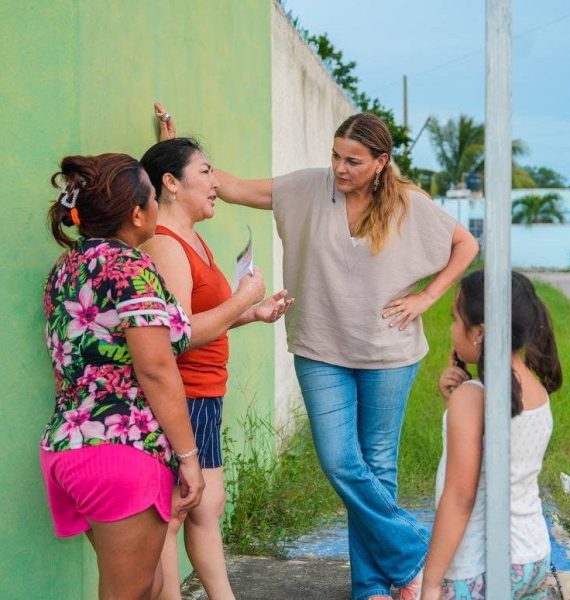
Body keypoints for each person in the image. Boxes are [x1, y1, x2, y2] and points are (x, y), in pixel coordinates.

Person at [156, 105, 479, 600]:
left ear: (380, 162)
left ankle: (372, 586)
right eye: (335, 156)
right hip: (320, 347)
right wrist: (177, 158)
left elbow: (466, 245)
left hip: (389, 352)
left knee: (377, 467)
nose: (340, 168)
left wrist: (425, 298)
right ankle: (418, 554)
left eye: (353, 160)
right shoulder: (307, 187)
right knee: (339, 460)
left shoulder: (408, 203)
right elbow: (236, 186)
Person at [40, 153, 205, 599]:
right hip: (121, 451)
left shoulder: (66, 269)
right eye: (154, 198)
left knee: (147, 586)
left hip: (69, 449)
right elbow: (154, 368)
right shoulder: (131, 267)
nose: (157, 206)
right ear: (137, 213)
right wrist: (189, 457)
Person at [139, 135, 292, 600]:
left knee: (205, 506)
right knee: (175, 511)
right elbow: (177, 333)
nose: (215, 182)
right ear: (170, 183)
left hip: (205, 392)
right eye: (205, 172)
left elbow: (199, 318)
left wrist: (252, 312)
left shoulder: (192, 238)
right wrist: (242, 299)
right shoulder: (165, 246)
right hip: (182, 393)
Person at [422, 270, 559, 600]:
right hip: (532, 556)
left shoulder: (473, 398)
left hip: (480, 566)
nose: (451, 330)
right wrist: (452, 402)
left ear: (479, 333)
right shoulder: (535, 387)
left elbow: (460, 497)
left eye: (455, 320)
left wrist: (430, 581)